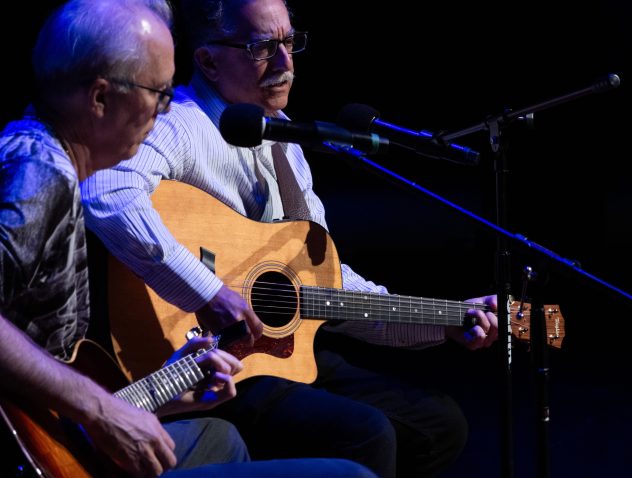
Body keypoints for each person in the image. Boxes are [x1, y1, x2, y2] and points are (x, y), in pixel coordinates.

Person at [81, 0, 499, 476]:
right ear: (208, 61)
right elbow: (104, 190)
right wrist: (207, 290)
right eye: (261, 47)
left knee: (438, 424)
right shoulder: (182, 123)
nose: (284, 63)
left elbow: (329, 287)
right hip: (207, 361)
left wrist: (444, 323)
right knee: (364, 432)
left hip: (279, 355)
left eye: (288, 42)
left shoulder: (286, 141)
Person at [0, 1, 377, 477]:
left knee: (222, 438)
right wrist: (101, 411)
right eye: (157, 92)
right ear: (100, 99)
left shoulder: (48, 165)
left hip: (61, 437)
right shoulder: (39, 173)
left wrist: (165, 388)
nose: (164, 111)